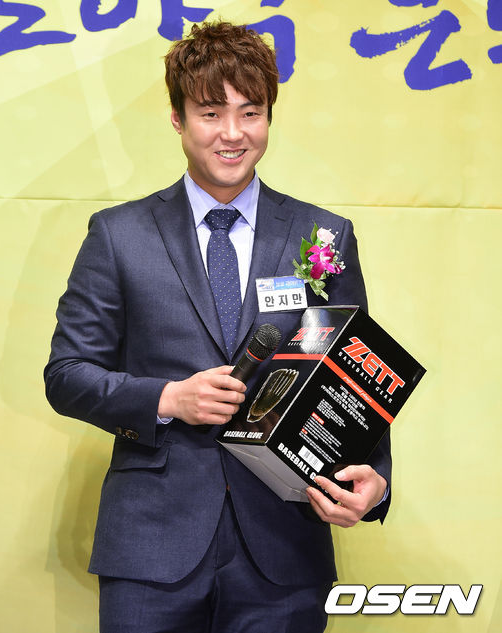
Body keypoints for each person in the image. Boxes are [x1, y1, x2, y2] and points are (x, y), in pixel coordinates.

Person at [44, 21, 390, 633]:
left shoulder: (323, 235)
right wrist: (169, 398)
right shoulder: (119, 235)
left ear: (268, 117)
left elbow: (356, 377)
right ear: (177, 119)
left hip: (286, 543)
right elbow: (67, 375)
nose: (233, 133)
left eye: (250, 112)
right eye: (210, 113)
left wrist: (375, 479)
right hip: (151, 545)